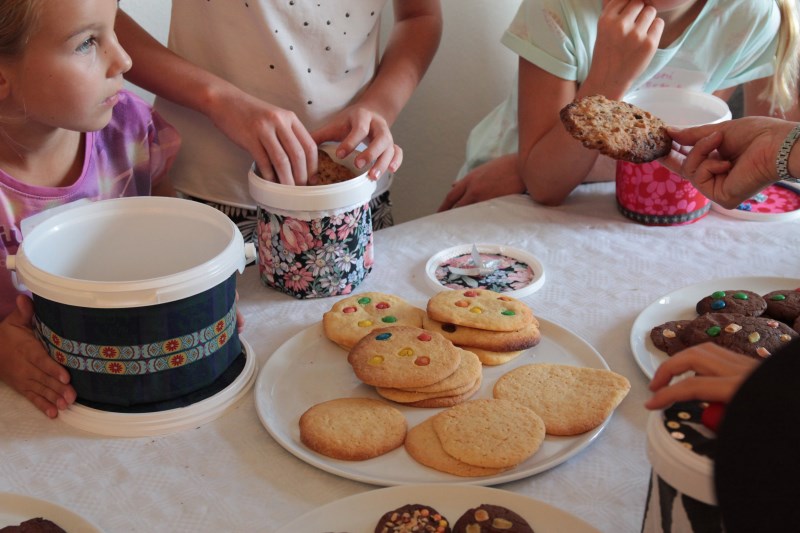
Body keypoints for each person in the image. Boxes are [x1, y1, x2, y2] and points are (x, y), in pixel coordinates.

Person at [114, 1, 443, 240]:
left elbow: (420, 16)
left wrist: (379, 107)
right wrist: (219, 99)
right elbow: (97, 19)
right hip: (207, 196)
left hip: (355, 196)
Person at [438, 0, 800, 212]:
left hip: (627, 193)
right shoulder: (559, 9)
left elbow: (683, 147)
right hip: (510, 192)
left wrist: (530, 167)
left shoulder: (748, 16)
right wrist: (609, 78)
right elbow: (547, 186)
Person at [0, 0, 181, 419]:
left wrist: (193, 295)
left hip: (141, 385)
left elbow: (170, 225)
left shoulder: (128, 130)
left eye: (113, 29)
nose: (124, 59)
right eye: (87, 43)